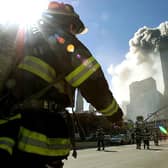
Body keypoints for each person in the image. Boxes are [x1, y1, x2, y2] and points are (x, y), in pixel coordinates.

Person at [0, 1, 123, 168]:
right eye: (76, 30)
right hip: (37, 130)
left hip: (9, 128)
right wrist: (115, 114)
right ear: (71, 24)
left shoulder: (26, 41)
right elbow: (94, 84)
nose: (75, 34)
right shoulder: (64, 42)